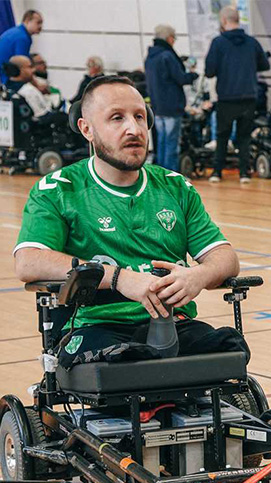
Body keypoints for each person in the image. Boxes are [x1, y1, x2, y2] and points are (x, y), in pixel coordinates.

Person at [11, 75, 248, 369]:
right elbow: (28, 262)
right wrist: (120, 279)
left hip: (173, 324)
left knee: (229, 347)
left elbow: (225, 258)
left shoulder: (176, 187)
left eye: (139, 117)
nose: (134, 129)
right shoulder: (59, 189)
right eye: (116, 118)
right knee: (129, 360)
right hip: (93, 327)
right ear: (87, 129)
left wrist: (197, 276)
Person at [204, 5, 270, 183]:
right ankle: (244, 173)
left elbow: (209, 71)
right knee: (244, 137)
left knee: (222, 135)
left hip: (226, 97)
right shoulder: (251, 42)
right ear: (238, 20)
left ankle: (217, 172)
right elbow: (265, 65)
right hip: (248, 95)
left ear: (224, 21)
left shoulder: (218, 43)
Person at [145, 24, 199, 173]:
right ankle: (171, 176)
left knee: (161, 142)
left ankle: (161, 175)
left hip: (157, 107)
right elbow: (180, 78)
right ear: (169, 38)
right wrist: (194, 75)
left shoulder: (150, 57)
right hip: (171, 106)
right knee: (171, 144)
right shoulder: (167, 56)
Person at [8, 55, 57, 120]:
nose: (33, 70)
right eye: (30, 67)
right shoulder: (28, 90)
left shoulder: (6, 89)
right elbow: (43, 116)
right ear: (18, 70)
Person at [0, 9, 42, 86]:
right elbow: (23, 66)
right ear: (27, 21)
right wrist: (37, 85)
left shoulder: (16, 32)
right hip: (5, 76)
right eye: (38, 23)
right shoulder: (22, 38)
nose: (40, 26)